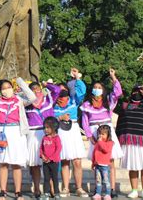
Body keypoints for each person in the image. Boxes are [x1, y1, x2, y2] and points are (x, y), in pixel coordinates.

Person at [0, 77, 36, 200]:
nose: (6, 90)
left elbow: (32, 97)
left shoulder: (19, 100)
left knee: (16, 164)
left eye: (8, 87)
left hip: (16, 132)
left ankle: (18, 192)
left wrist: (20, 82)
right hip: (1, 132)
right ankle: (3, 191)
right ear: (0, 90)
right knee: (3, 164)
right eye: (4, 88)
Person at [80, 68, 123, 198]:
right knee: (97, 161)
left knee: (110, 161)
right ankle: (98, 189)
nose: (97, 89)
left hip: (107, 131)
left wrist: (113, 77)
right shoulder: (87, 104)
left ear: (103, 90)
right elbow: (85, 121)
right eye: (95, 87)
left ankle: (111, 189)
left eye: (99, 87)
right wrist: (89, 136)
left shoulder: (107, 102)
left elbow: (118, 92)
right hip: (94, 132)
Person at [54, 68, 89, 198]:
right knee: (64, 161)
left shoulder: (74, 100)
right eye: (59, 92)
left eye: (64, 92)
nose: (62, 95)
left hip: (73, 130)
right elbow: (49, 117)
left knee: (77, 161)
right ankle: (65, 188)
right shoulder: (53, 104)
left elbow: (81, 91)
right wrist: (59, 118)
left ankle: (79, 188)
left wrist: (77, 78)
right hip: (60, 132)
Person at [25, 80, 60, 199]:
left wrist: (46, 85)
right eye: (32, 89)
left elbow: (57, 90)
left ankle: (51, 189)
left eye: (38, 88)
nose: (36, 91)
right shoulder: (26, 104)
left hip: (49, 134)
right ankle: (36, 188)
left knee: (49, 163)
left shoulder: (48, 100)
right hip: (33, 134)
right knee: (35, 164)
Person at [40, 116, 62, 200]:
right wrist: (42, 155)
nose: (46, 129)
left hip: (54, 162)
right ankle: (46, 193)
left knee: (55, 178)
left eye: (48, 128)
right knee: (46, 178)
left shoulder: (56, 138)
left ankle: (56, 193)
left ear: (54, 128)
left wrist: (51, 158)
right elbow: (41, 148)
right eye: (45, 127)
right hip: (45, 162)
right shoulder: (44, 138)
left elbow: (58, 149)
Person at [92, 125, 114, 200]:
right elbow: (94, 153)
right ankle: (98, 193)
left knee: (106, 181)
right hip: (97, 165)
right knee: (98, 181)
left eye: (103, 134)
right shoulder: (98, 143)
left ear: (108, 135)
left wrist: (100, 142)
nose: (101, 136)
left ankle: (108, 194)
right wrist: (93, 163)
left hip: (105, 166)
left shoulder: (110, 143)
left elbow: (106, 150)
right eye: (100, 134)